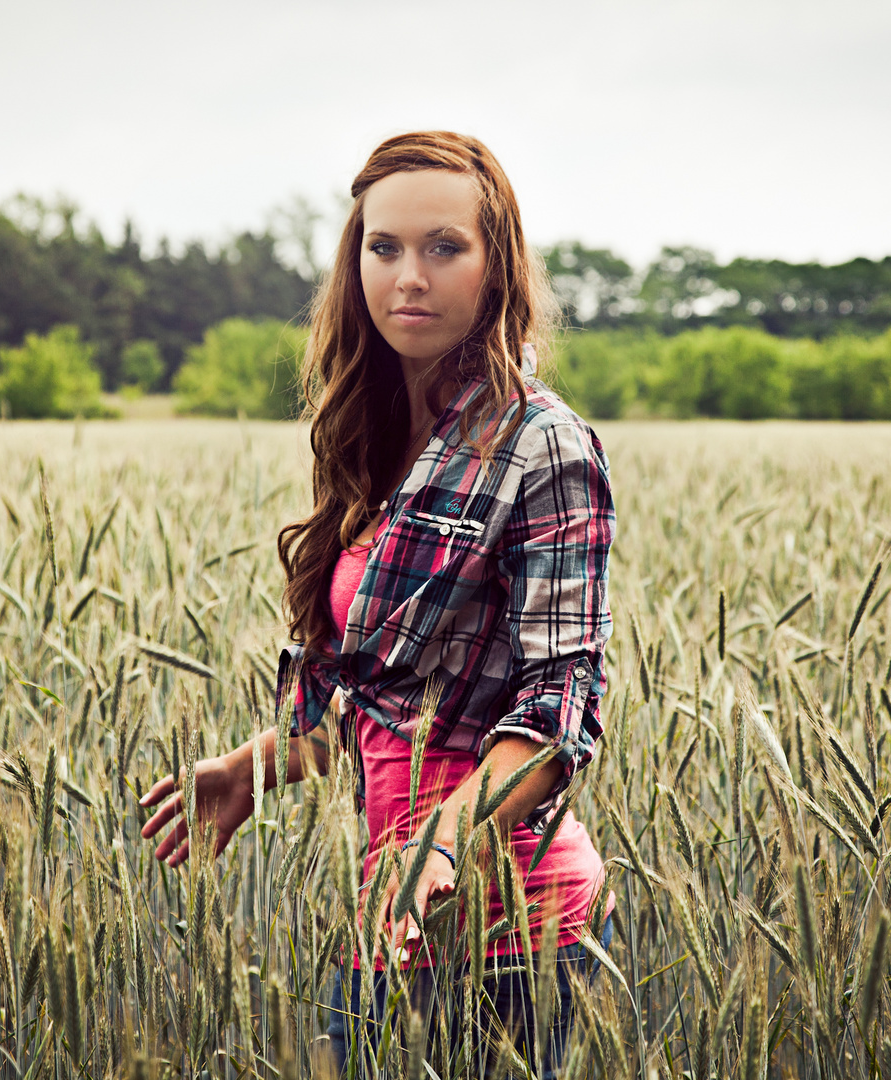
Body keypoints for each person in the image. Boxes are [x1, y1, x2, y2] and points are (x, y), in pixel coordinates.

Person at [139, 130, 616, 1077]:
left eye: (445, 247)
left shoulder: (539, 443)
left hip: (511, 931)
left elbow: (561, 709)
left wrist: (441, 838)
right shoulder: (369, 439)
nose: (409, 275)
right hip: (389, 915)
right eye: (382, 246)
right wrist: (257, 765)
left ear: (497, 268)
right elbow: (388, 700)